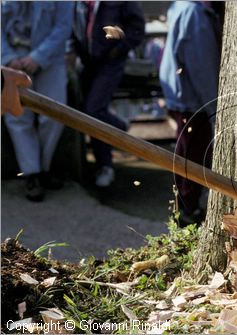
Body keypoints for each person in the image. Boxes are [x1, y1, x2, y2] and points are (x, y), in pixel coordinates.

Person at [2, 1, 74, 202]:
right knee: (17, 117)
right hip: (11, 61)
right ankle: (31, 173)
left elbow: (63, 27)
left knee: (54, 116)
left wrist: (38, 58)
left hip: (51, 61)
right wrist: (8, 58)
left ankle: (44, 167)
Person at [68, 1, 145, 187]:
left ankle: (117, 131)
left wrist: (118, 50)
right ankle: (105, 162)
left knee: (93, 111)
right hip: (87, 62)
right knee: (91, 114)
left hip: (111, 62)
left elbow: (137, 28)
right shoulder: (80, 3)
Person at [159, 1, 223, 224]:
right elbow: (202, 67)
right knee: (194, 155)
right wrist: (214, 105)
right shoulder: (195, 13)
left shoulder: (183, 6)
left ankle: (183, 206)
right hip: (193, 99)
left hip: (181, 93)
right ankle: (188, 209)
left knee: (185, 151)